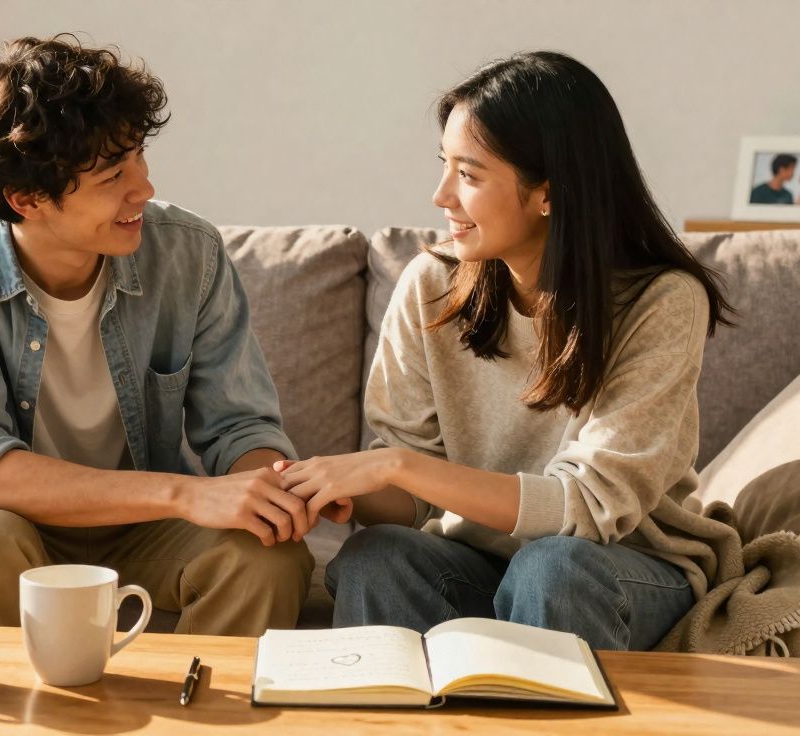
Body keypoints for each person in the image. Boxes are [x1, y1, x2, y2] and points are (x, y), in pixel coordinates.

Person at [278, 51, 736, 651]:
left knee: (551, 567)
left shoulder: (662, 300)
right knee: (377, 556)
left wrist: (397, 466)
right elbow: (411, 496)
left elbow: (590, 507)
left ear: (548, 192)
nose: (440, 195)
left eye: (468, 175)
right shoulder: (431, 284)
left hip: (617, 568)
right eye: (444, 165)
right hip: (479, 560)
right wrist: (329, 486)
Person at [0, 35, 313, 634]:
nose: (144, 188)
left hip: (143, 530)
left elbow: (239, 427)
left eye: (138, 156)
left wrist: (271, 490)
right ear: (27, 199)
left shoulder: (189, 253)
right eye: (113, 175)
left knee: (267, 555)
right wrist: (184, 495)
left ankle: (196, 699)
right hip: (11, 524)